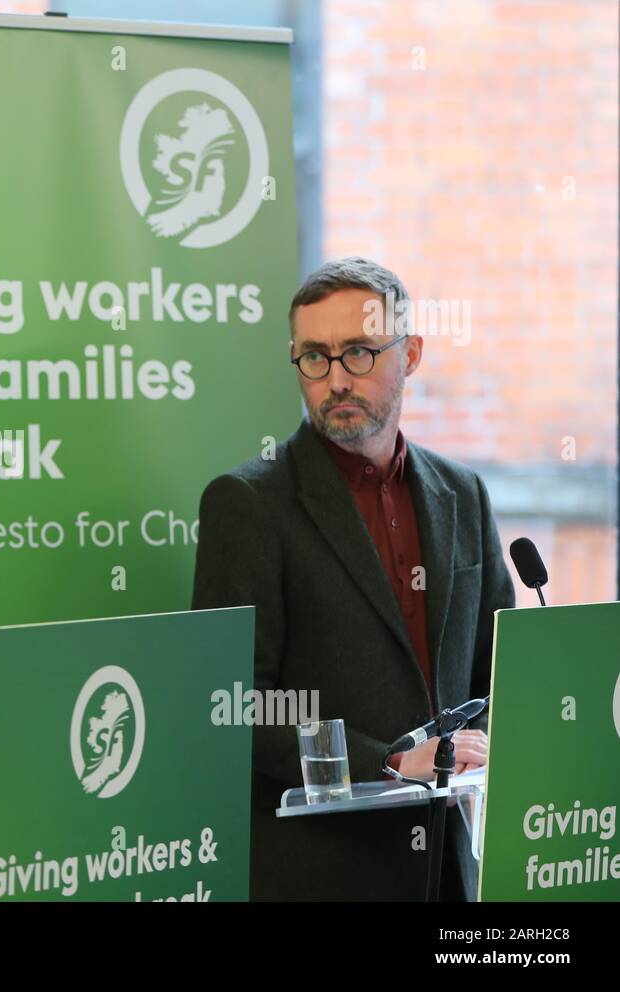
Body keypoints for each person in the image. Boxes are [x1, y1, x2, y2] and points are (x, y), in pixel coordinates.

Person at [191, 257, 514, 901]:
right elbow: (229, 707)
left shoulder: (462, 492)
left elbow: (498, 668)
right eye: (315, 358)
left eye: (360, 354)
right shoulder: (249, 503)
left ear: (411, 353)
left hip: (450, 873)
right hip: (322, 874)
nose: (335, 379)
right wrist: (389, 761)